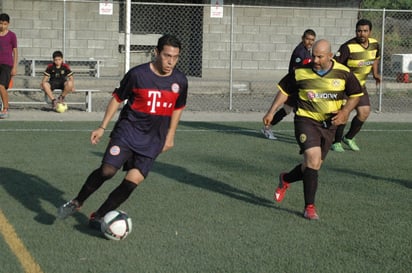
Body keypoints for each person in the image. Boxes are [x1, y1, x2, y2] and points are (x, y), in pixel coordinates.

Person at [57, 34, 188, 229]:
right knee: (107, 171)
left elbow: (178, 107)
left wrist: (170, 135)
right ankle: (78, 201)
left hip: (154, 140)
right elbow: (117, 99)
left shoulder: (180, 80)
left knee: (132, 182)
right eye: (167, 55)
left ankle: (99, 216)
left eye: (175, 57)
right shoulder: (137, 75)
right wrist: (102, 127)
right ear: (156, 53)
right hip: (128, 132)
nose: (171, 61)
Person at [263, 39, 363, 220]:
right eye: (313, 55)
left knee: (313, 166)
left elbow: (356, 94)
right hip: (306, 121)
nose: (315, 60)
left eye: (320, 57)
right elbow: (284, 90)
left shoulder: (343, 73)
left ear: (330, 56)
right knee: (313, 159)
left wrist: (345, 111)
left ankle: (286, 179)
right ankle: (309, 207)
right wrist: (271, 112)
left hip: (330, 124)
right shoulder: (301, 72)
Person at [331, 19, 381, 152]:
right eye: (359, 31)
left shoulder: (375, 44)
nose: (362, 34)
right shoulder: (347, 47)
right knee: (344, 114)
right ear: (356, 32)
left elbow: (375, 59)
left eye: (365, 31)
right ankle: (335, 142)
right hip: (345, 87)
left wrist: (375, 74)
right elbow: (335, 66)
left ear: (370, 32)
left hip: (360, 86)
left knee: (364, 112)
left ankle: (348, 137)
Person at [261, 29, 316, 140]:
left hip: (298, 86)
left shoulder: (307, 50)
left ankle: (267, 128)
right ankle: (306, 135)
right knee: (301, 111)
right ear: (302, 38)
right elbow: (297, 70)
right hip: (294, 86)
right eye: (307, 39)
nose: (310, 42)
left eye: (312, 40)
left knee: (287, 109)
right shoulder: (300, 52)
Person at [0, 13, 18, 119]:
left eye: (5, 24)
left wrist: (15, 67)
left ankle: (6, 108)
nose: (2, 26)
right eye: (1, 23)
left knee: (1, 86)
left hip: (7, 65)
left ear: (8, 24)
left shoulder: (12, 36)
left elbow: (15, 52)